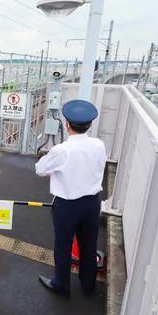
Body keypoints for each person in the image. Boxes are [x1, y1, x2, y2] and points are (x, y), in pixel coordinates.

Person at [35, 99, 107, 297]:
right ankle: (88, 283)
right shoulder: (98, 144)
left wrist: (55, 170)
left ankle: (61, 284)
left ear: (66, 125)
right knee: (89, 243)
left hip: (67, 205)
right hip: (92, 203)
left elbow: (40, 170)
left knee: (63, 245)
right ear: (89, 125)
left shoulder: (61, 150)